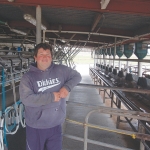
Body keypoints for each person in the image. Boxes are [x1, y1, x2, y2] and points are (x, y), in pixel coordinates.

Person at [19, 43, 82, 150]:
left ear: (52, 57)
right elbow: (27, 99)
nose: (45, 57)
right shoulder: (27, 78)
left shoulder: (61, 70)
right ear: (35, 57)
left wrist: (67, 87)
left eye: (48, 54)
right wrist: (51, 97)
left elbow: (77, 76)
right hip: (36, 126)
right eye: (41, 54)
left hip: (55, 125)